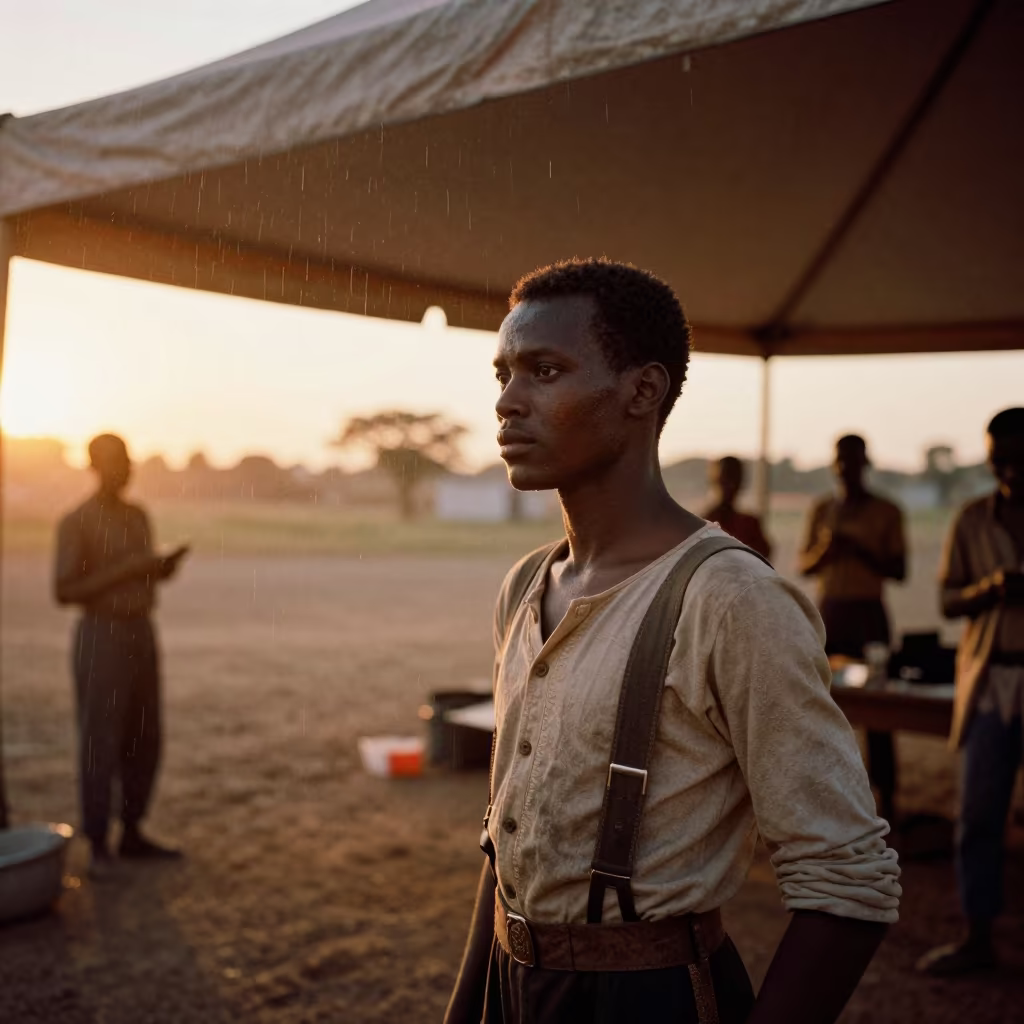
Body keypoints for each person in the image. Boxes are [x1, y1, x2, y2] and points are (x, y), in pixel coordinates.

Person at [445, 260, 900, 1024]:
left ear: (642, 391)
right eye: (503, 374)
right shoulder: (526, 585)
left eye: (545, 371)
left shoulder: (730, 599)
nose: (507, 402)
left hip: (649, 996)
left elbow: (846, 877)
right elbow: (506, 843)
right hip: (513, 984)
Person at [917, 407, 1024, 977]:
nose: (1007, 470)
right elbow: (948, 601)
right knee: (979, 813)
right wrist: (991, 589)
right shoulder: (969, 519)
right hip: (989, 680)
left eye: (1017, 459)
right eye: (998, 459)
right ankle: (977, 934)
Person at [55, 434, 188, 874]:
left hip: (140, 632)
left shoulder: (137, 517)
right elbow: (65, 589)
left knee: (144, 734)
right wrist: (125, 570)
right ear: (95, 465)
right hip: (102, 636)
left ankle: (133, 829)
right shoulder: (78, 521)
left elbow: (143, 573)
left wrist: (160, 569)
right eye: (118, 462)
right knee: (101, 737)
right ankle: (97, 842)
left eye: (129, 461)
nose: (127, 470)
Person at [798, 435, 906, 823]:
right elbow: (804, 566)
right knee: (821, 704)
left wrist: (861, 551)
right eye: (842, 461)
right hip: (831, 612)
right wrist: (827, 551)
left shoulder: (887, 511)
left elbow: (900, 570)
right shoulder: (821, 509)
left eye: (855, 461)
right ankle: (824, 797)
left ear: (866, 464)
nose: (848, 468)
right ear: (834, 465)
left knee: (879, 709)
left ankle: (886, 797)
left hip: (869, 613)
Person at [702, 456, 772, 560]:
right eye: (725, 481)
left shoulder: (750, 524)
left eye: (733, 481)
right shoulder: (703, 523)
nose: (729, 487)